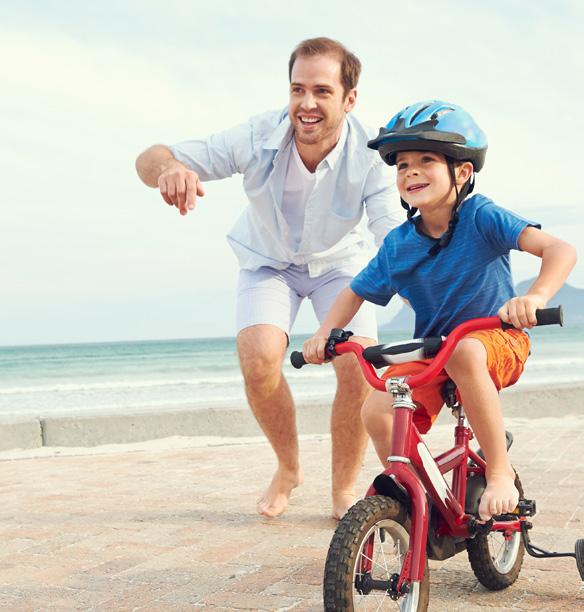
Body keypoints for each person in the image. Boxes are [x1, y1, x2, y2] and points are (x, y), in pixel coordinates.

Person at [135, 37, 402, 519]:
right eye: (297, 89)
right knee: (259, 357)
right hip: (267, 261)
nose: (306, 104)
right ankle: (288, 467)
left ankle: (343, 487)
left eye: (322, 91)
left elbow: (392, 236)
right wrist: (170, 168)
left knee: (357, 366)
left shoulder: (371, 156)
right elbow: (149, 157)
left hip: (339, 264)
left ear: (349, 99)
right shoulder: (258, 134)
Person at [302, 100, 577, 521]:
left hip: (496, 341)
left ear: (462, 172)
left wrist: (535, 297)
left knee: (466, 349)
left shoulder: (480, 215)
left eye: (426, 160)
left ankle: (500, 473)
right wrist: (325, 333)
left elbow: (559, 250)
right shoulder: (398, 244)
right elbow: (353, 293)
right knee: (376, 407)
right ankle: (419, 492)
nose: (411, 171)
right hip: (435, 352)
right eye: (402, 165)